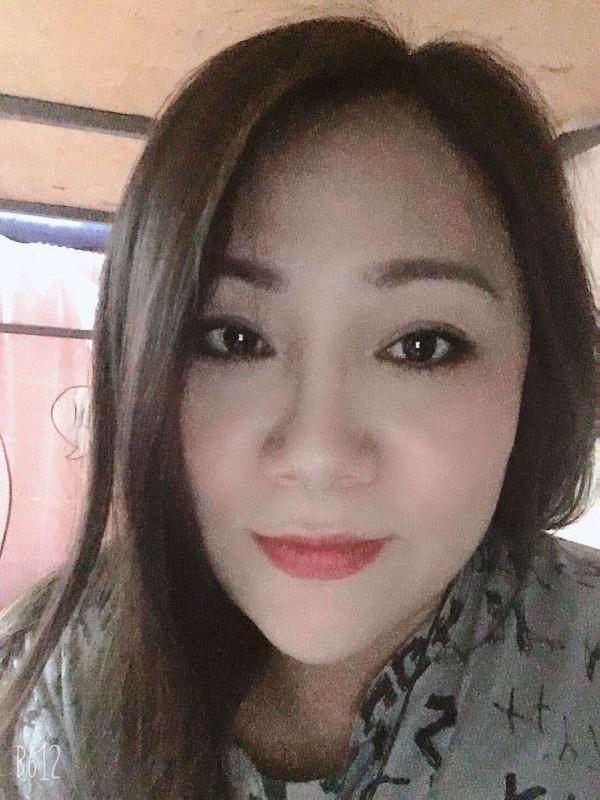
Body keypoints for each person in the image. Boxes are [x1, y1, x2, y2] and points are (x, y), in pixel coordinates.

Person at [0, 12, 599, 800]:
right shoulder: (46, 691)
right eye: (233, 338)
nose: (318, 454)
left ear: (537, 368)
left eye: (421, 345)